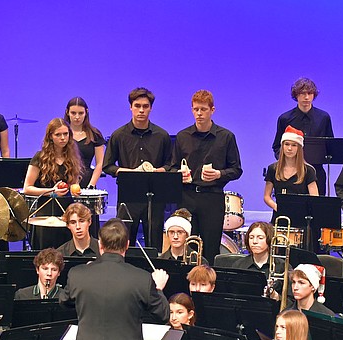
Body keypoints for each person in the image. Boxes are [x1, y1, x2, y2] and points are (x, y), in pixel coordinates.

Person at [172, 89, 243, 250]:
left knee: (210, 248)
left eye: (203, 109)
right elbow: (172, 166)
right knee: (187, 247)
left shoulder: (226, 137)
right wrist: (178, 174)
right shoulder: (183, 136)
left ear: (212, 110)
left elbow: (236, 169)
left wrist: (219, 174)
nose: (199, 113)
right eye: (196, 109)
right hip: (187, 197)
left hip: (213, 197)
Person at [103, 87, 173, 251]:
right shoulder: (119, 135)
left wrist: (158, 171)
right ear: (130, 107)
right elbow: (108, 165)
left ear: (151, 108)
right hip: (128, 196)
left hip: (155, 196)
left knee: (154, 242)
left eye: (145, 106)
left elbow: (171, 164)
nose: (141, 110)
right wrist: (128, 171)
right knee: (124, 242)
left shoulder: (162, 136)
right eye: (137, 106)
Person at [23, 118, 82, 210]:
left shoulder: (72, 156)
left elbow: (74, 184)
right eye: (58, 134)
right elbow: (27, 188)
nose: (63, 138)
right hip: (45, 208)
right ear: (50, 136)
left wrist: (75, 190)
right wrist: (52, 192)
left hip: (67, 209)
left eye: (65, 134)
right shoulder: (40, 157)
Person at [264, 126, 319, 219]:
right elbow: (266, 196)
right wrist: (277, 207)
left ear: (299, 148)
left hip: (301, 217)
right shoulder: (273, 169)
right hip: (279, 217)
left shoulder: (308, 171)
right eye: (287, 144)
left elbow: (315, 198)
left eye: (294, 145)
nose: (289, 148)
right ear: (282, 146)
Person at [271, 77, 334, 155]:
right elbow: (277, 146)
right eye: (303, 93)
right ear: (296, 95)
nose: (306, 97)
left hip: (316, 166)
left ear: (314, 95)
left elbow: (330, 146)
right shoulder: (284, 119)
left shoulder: (324, 117)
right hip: (292, 165)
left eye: (310, 93)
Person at [65, 97, 105, 189]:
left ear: (86, 112)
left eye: (81, 113)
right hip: (65, 182)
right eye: (73, 113)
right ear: (67, 112)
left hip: (88, 182)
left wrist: (91, 185)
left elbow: (100, 163)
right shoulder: (62, 134)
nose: (77, 117)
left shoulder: (95, 134)